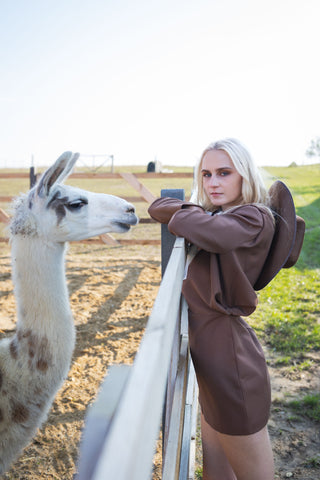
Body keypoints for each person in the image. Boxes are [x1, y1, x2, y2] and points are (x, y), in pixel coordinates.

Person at [148, 138, 305, 480]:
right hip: (214, 358)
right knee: (216, 473)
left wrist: (189, 211)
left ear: (243, 175)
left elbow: (211, 233)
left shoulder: (255, 217)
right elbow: (159, 208)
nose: (212, 183)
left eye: (223, 172)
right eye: (205, 175)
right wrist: (190, 210)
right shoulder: (219, 214)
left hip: (231, 364)